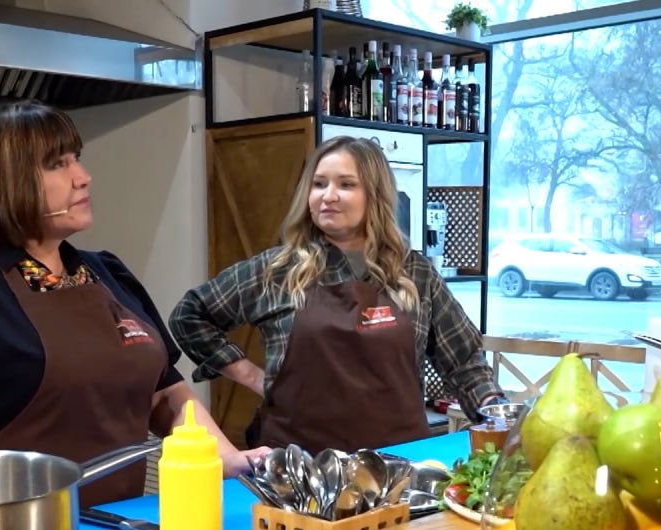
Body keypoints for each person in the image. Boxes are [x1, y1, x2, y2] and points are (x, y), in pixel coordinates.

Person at [0, 100, 266, 505]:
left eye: (76, 159)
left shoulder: (107, 273)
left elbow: (166, 394)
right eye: (57, 164)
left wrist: (229, 459)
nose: (83, 177)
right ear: (1, 181)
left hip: (115, 527)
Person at [169, 135, 507, 455]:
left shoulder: (415, 274)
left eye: (346, 184)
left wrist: (499, 418)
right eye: (319, 184)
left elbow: (464, 361)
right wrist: (249, 374)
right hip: (299, 468)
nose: (328, 196)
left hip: (399, 462)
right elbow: (189, 315)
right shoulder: (277, 270)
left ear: (375, 194)